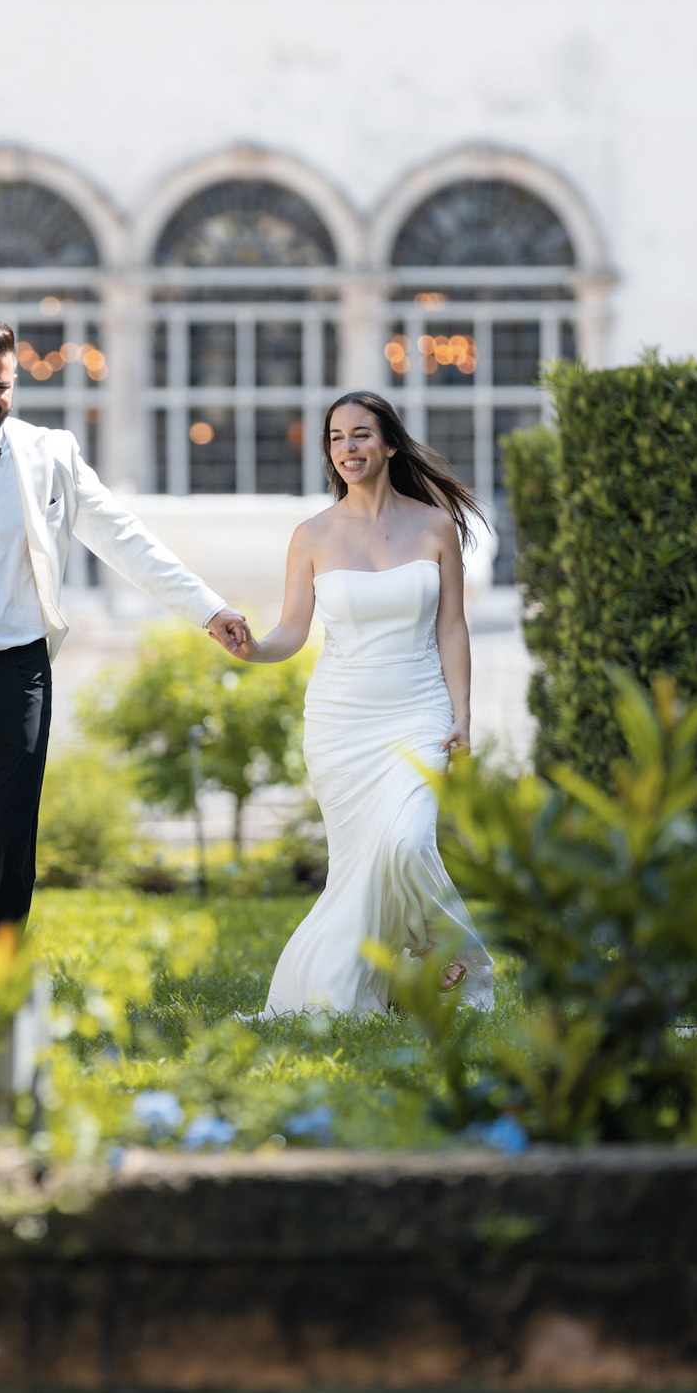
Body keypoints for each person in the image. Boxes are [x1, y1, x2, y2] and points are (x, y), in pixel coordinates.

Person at [0, 315, 251, 983]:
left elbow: (123, 537)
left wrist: (208, 607)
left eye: (0, 385)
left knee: (9, 844)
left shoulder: (51, 453)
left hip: (17, 673)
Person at [230, 390, 496, 1015]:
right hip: (340, 720)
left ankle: (441, 951)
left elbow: (451, 627)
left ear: (390, 443)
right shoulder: (313, 535)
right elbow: (294, 631)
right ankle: (402, 977)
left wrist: (462, 717)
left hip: (419, 709)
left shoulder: (434, 526)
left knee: (405, 843)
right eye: (335, 438)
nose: (347, 448)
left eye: (360, 435)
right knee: (361, 867)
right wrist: (252, 649)